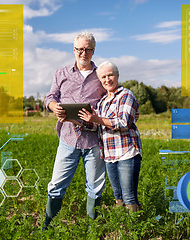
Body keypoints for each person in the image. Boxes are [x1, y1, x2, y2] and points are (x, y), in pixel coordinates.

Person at [43, 32, 106, 229]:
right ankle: (48, 225)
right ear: (74, 50)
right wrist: (55, 107)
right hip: (68, 139)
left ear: (93, 51)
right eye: (80, 49)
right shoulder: (61, 73)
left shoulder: (101, 74)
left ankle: (91, 229)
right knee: (56, 186)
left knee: (95, 188)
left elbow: (111, 99)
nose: (83, 53)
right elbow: (50, 97)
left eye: (88, 49)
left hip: (94, 140)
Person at [78, 61, 142, 212]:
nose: (107, 80)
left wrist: (97, 119)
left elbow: (123, 122)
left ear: (117, 76)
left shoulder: (126, 95)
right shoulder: (102, 102)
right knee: (118, 196)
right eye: (103, 77)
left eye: (110, 75)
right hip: (109, 154)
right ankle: (122, 227)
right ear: (100, 81)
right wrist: (75, 119)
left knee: (129, 197)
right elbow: (96, 126)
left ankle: (135, 228)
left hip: (127, 152)